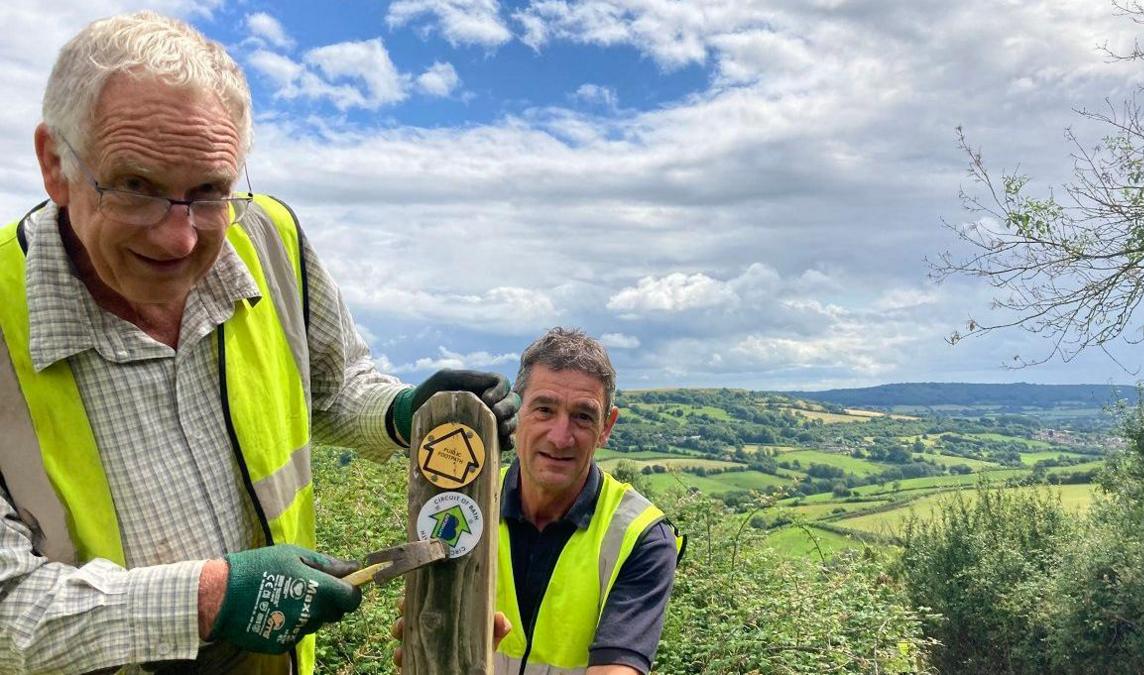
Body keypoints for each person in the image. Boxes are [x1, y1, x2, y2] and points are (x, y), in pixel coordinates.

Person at [0, 12, 517, 675]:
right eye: (135, 187)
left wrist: (399, 412)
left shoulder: (269, 239)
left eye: (210, 191)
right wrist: (209, 599)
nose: (178, 238)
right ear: (54, 164)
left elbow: (334, 384)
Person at [394, 327, 682, 675]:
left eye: (583, 416)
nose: (561, 438)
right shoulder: (461, 504)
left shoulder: (640, 535)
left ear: (606, 427)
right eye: (544, 409)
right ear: (515, 414)